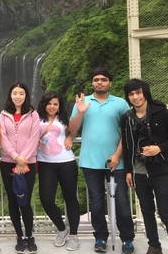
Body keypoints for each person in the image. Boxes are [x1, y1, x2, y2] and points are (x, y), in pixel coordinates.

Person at [69, 68, 135, 254]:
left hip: (117, 161)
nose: (99, 82)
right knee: (96, 201)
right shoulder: (83, 102)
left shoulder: (121, 104)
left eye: (103, 80)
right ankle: (100, 237)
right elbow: (71, 131)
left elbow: (127, 133)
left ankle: (127, 239)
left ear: (110, 83)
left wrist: (117, 155)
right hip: (90, 161)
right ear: (92, 83)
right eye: (96, 79)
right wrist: (80, 112)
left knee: (122, 201)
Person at [121, 79, 168, 254]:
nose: (135, 97)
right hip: (139, 173)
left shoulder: (161, 113)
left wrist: (159, 148)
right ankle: (154, 246)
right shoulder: (126, 118)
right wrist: (128, 171)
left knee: (166, 214)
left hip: (160, 171)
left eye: (138, 93)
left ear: (145, 93)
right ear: (128, 97)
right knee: (147, 212)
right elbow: (127, 146)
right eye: (131, 94)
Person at [0, 82, 39, 254]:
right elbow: (2, 137)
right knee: (13, 200)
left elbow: (34, 136)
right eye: (14, 93)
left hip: (28, 163)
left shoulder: (33, 115)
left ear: (26, 95)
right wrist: (16, 157)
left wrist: (22, 160)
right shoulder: (3, 115)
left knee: (25, 200)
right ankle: (19, 236)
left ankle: (29, 236)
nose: (17, 96)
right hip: (8, 162)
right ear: (10, 95)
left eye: (21, 93)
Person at [37, 91, 80, 251]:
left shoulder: (63, 118)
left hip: (66, 162)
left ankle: (74, 235)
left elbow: (72, 131)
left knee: (70, 198)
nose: (52, 107)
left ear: (59, 106)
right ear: (44, 104)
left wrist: (69, 138)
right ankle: (62, 229)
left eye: (55, 104)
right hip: (45, 163)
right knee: (46, 199)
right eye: (49, 103)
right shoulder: (36, 117)